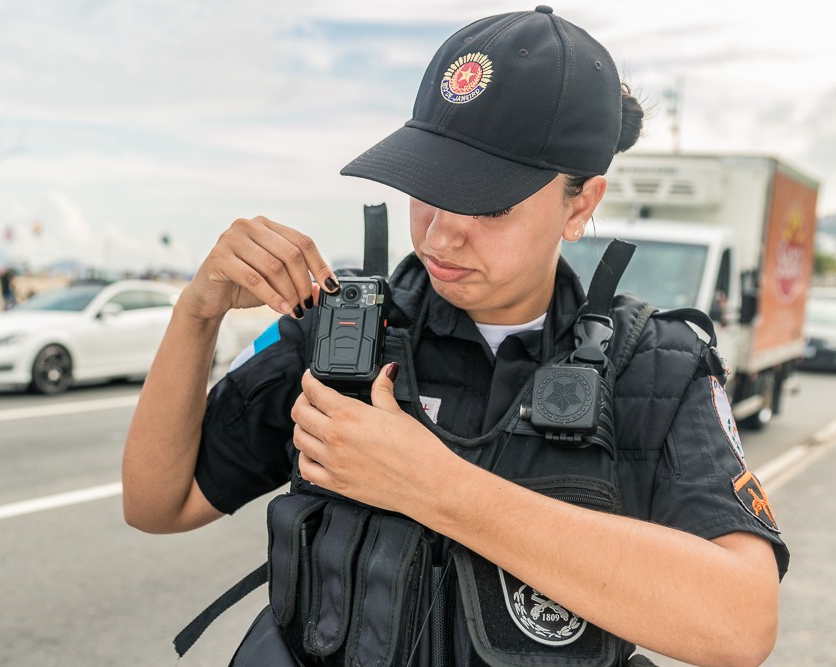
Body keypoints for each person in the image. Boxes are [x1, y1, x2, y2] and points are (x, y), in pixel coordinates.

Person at [122, 8, 787, 667]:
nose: (440, 234)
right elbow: (159, 504)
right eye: (427, 186)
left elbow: (740, 622)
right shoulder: (341, 331)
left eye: (489, 204)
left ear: (580, 203)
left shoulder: (654, 366)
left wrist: (434, 485)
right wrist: (196, 314)